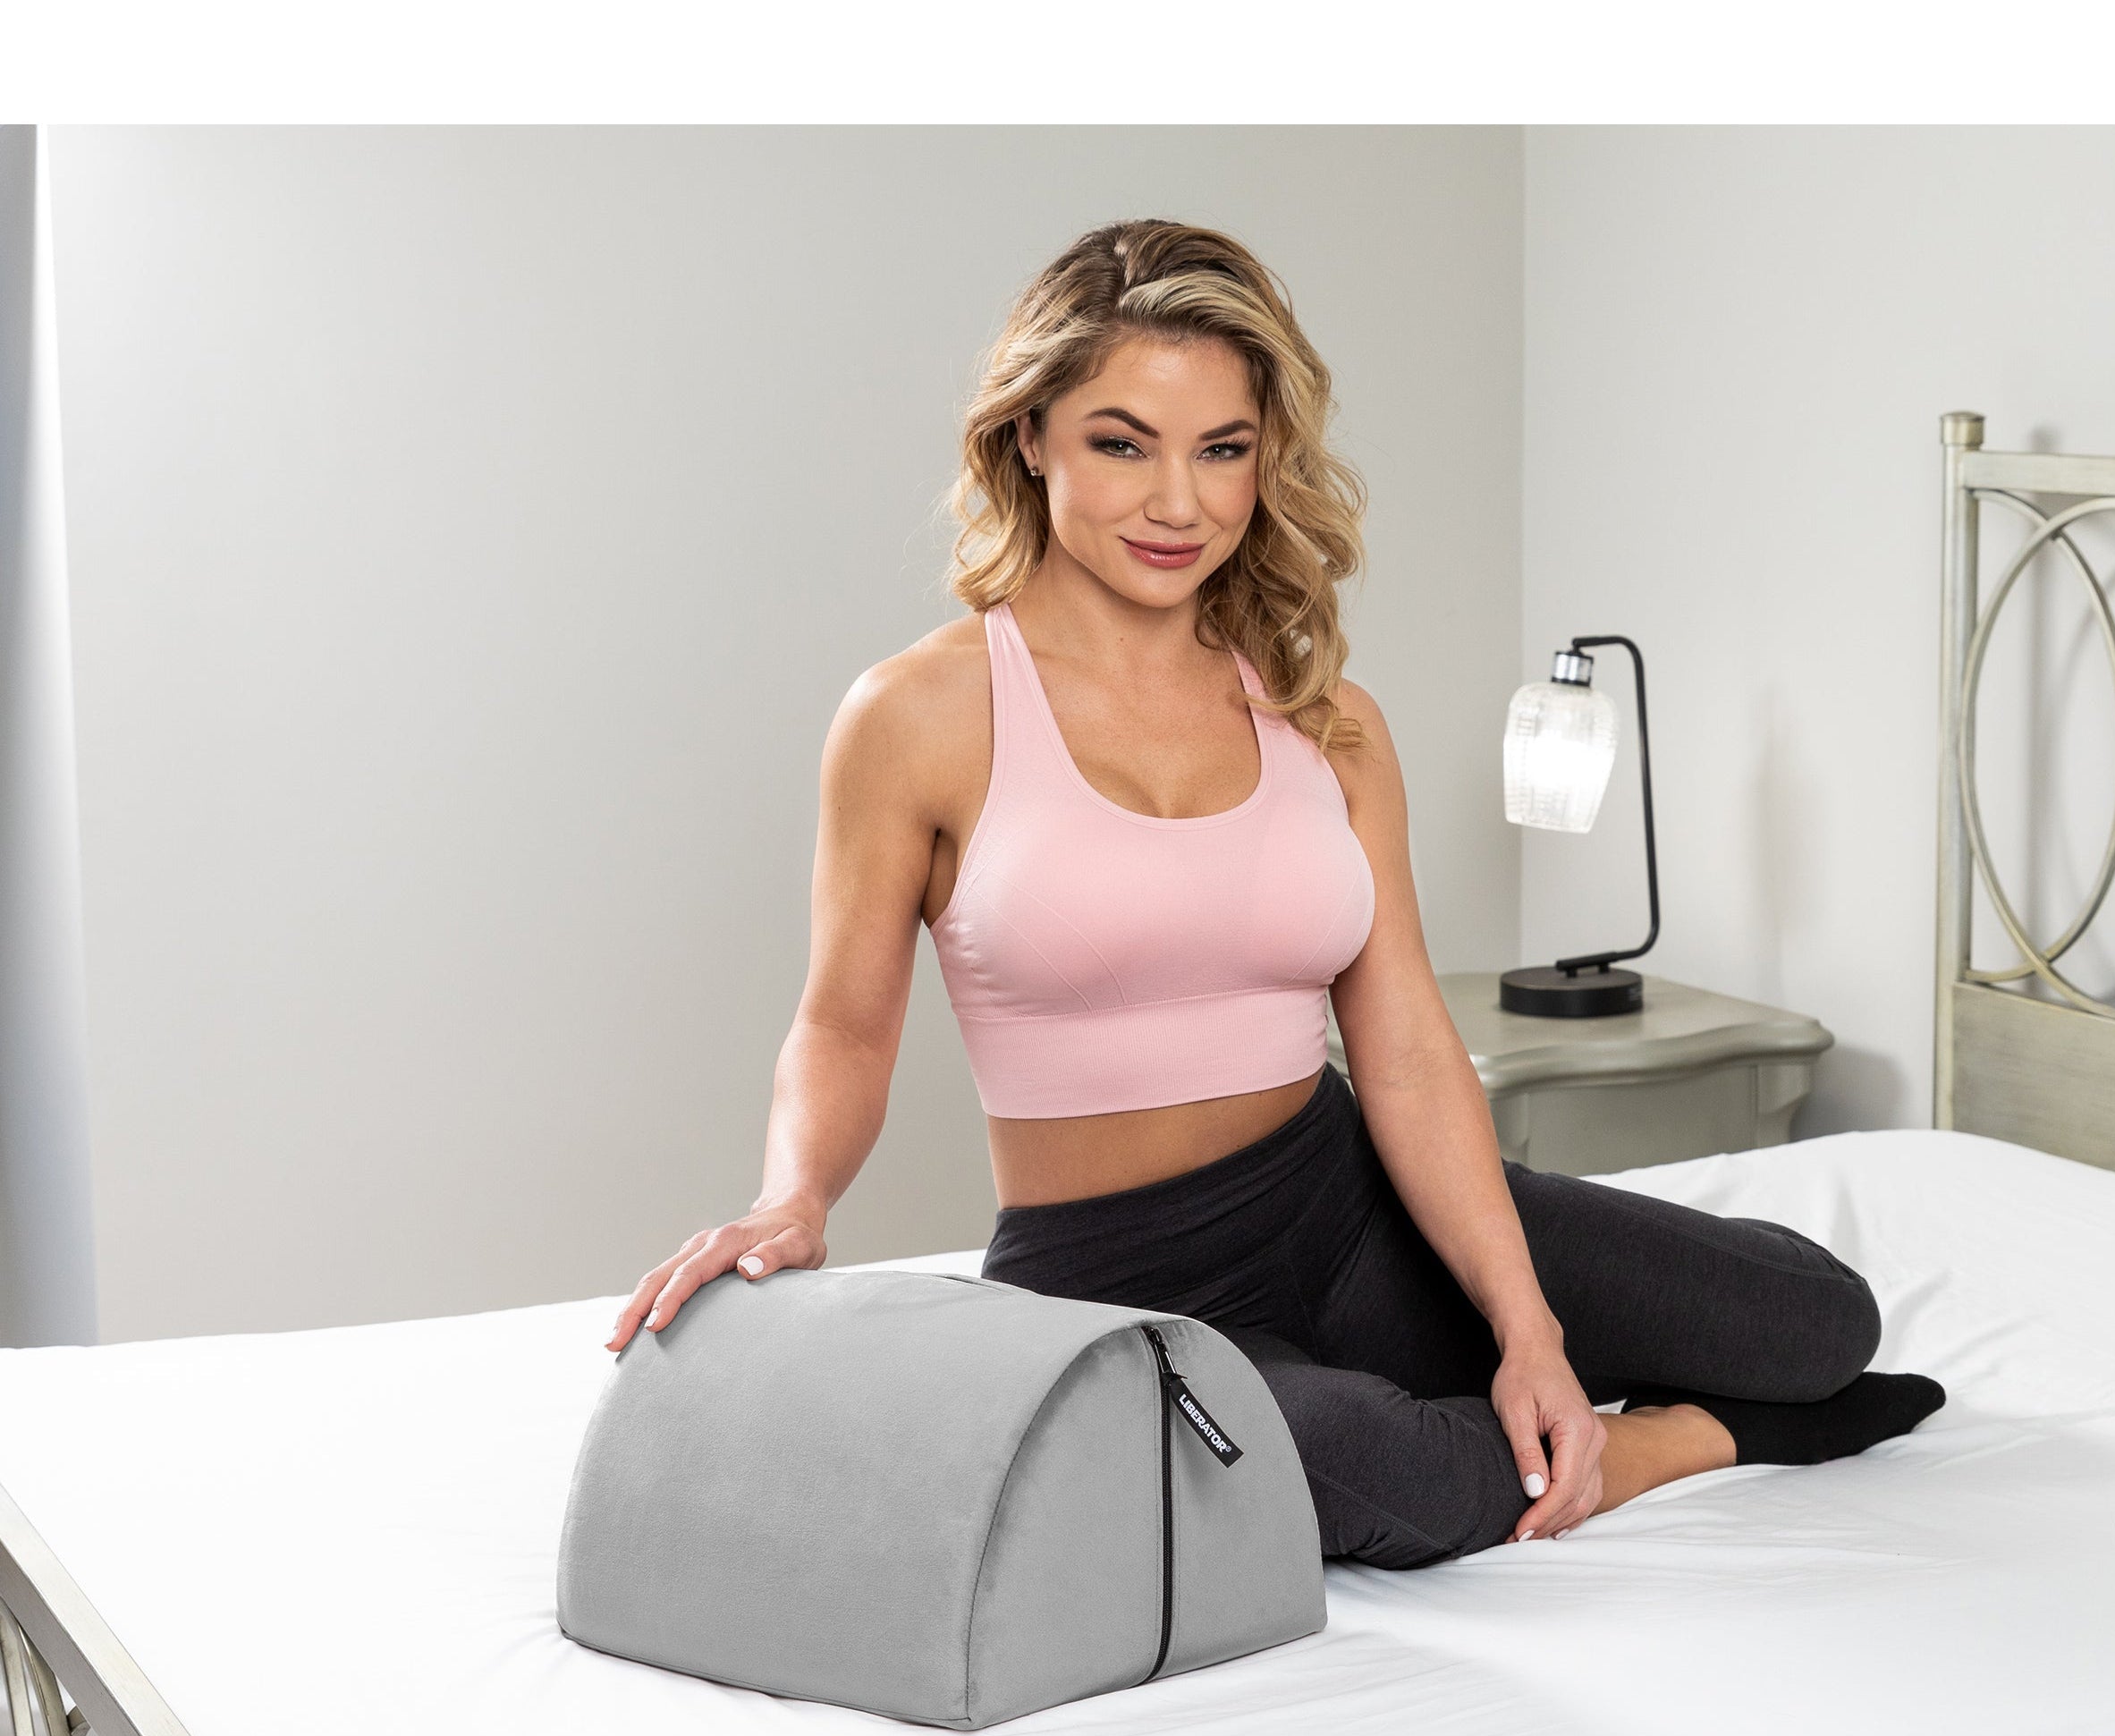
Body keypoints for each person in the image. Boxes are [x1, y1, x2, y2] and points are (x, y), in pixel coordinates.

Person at [608, 220, 1939, 1562]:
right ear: (1030, 439)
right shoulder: (916, 717)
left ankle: (1533, 1400)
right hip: (1112, 1287)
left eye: (1222, 449)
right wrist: (794, 1198)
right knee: (1403, 1480)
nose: (1177, 503)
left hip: (1351, 1209)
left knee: (1821, 1324)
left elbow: (1405, 1045)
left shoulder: (1327, 718)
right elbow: (843, 1023)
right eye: (1122, 443)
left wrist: (1527, 1324)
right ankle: (1677, 1440)